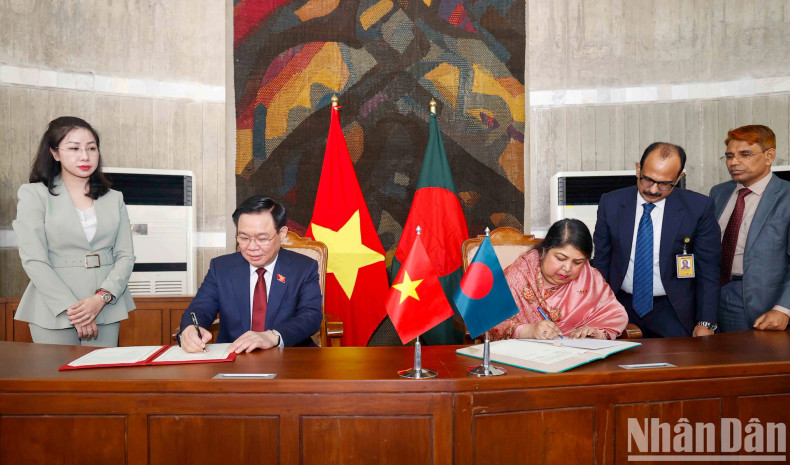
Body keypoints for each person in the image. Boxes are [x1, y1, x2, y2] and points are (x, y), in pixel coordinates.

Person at [13, 116, 136, 346]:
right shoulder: (34, 195)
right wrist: (74, 310)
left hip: (105, 307)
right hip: (54, 308)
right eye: (74, 148)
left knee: (100, 379)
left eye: (91, 148)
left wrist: (101, 298)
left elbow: (126, 255)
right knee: (58, 379)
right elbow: (34, 259)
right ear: (55, 153)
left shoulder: (114, 198)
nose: (85, 156)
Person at [593, 142, 720, 338]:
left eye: (664, 184)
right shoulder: (611, 203)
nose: (653, 190)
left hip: (674, 308)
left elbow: (709, 269)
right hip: (621, 305)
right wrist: (596, 311)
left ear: (679, 178)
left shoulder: (698, 208)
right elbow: (602, 262)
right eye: (647, 180)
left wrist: (706, 322)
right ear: (638, 169)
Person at [179, 195, 323, 353]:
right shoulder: (221, 267)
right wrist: (192, 329)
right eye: (244, 237)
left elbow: (310, 316)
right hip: (234, 356)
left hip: (289, 356)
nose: (252, 247)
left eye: (262, 238)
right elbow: (200, 308)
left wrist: (273, 336)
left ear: (281, 233)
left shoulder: (303, 267)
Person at [490, 219, 628, 341]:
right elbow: (487, 320)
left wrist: (596, 333)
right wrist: (528, 330)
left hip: (579, 360)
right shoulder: (518, 276)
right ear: (544, 251)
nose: (567, 268)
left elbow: (615, 315)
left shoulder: (589, 277)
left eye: (578, 262)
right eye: (560, 258)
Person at [709, 125, 790, 332]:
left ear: (769, 156)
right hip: (714, 295)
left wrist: (784, 308)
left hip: (766, 303)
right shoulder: (718, 193)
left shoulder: (786, 196)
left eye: (745, 154)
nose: (734, 162)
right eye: (729, 156)